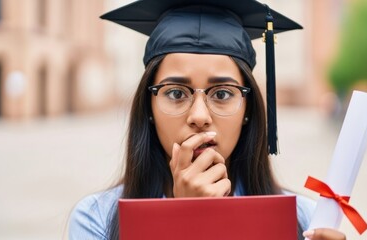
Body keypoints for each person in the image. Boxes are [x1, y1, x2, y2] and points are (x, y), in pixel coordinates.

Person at [69, 0, 347, 240]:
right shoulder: (97, 221)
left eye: (223, 93)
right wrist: (184, 221)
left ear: (248, 109)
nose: (199, 117)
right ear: (149, 107)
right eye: (176, 93)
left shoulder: (304, 221)